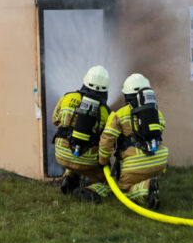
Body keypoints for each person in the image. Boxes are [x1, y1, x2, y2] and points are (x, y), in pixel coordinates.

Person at [98, 73, 168, 209]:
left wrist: (102, 160)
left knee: (121, 192)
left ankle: (145, 189)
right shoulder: (156, 112)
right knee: (140, 174)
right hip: (159, 161)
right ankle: (148, 183)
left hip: (134, 165)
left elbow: (107, 139)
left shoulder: (119, 113)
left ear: (127, 94)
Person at [53, 65, 112, 203]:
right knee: (107, 182)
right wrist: (103, 163)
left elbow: (55, 120)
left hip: (61, 153)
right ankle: (91, 191)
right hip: (87, 161)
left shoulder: (67, 98)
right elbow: (106, 141)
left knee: (73, 156)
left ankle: (69, 177)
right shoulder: (105, 112)